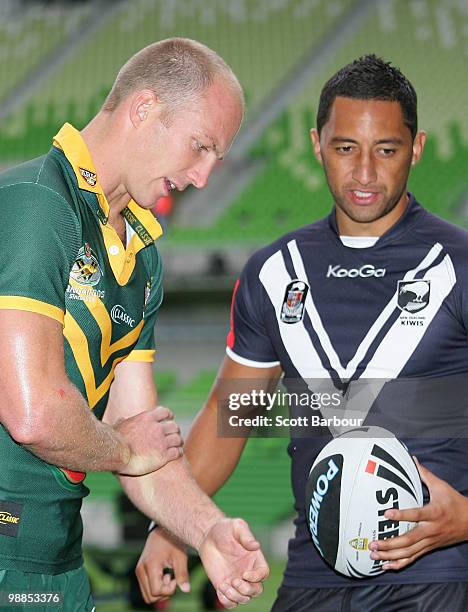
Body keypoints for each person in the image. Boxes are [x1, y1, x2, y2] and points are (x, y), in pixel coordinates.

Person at [137, 54, 468, 611]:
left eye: (386, 150)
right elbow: (230, 413)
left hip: (438, 583)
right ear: (317, 145)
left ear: (416, 148)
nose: (364, 173)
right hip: (313, 584)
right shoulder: (275, 272)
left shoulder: (458, 263)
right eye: (345, 149)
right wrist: (171, 527)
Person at [0, 37, 269, 611]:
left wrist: (209, 532)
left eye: (215, 161)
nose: (201, 178)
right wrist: (125, 449)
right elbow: (32, 414)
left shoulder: (140, 255)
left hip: (57, 562)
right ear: (144, 107)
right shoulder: (35, 205)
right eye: (200, 148)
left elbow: (144, 444)